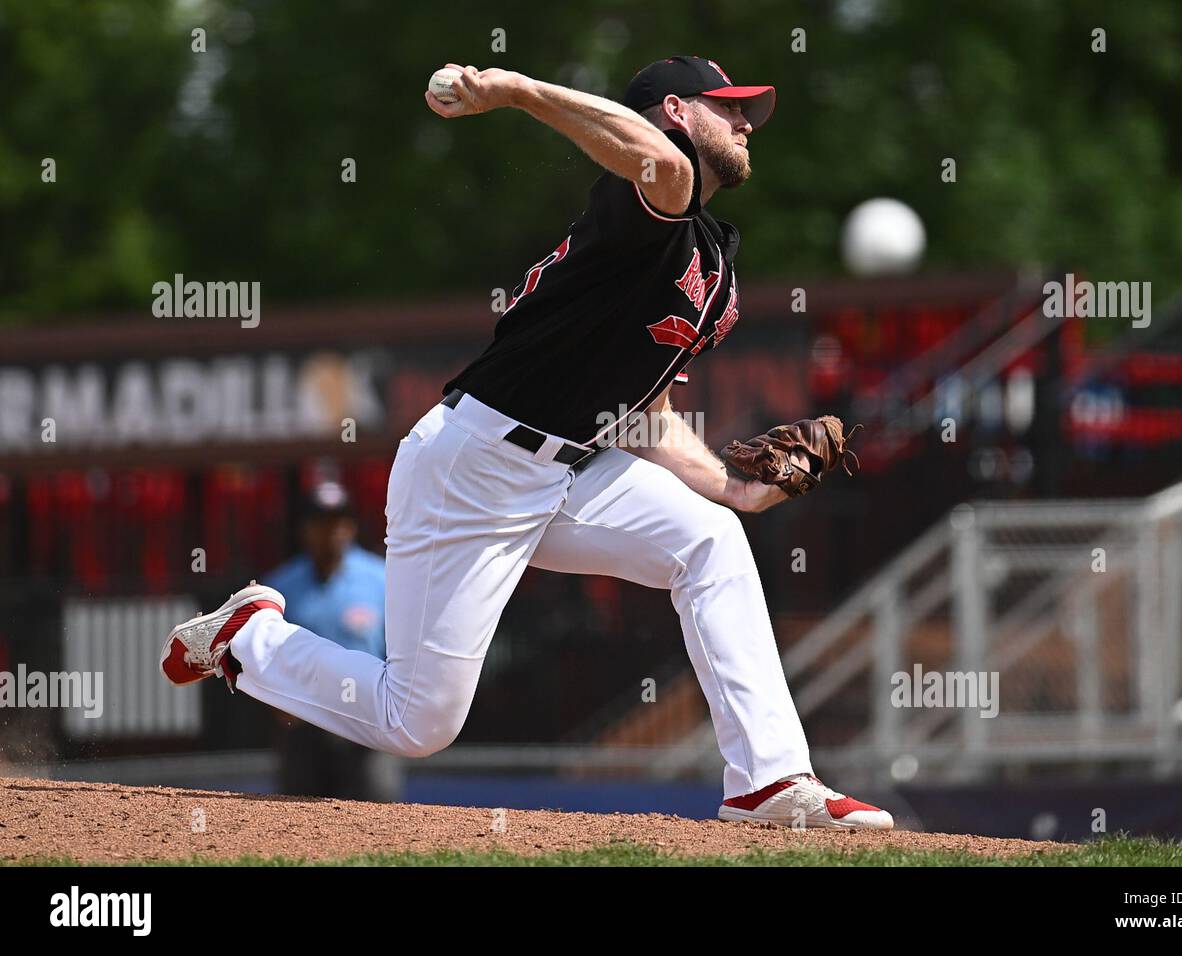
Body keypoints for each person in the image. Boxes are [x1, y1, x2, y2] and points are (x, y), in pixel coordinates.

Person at [161, 56, 893, 829]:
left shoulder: (712, 260)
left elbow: (643, 410)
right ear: (676, 110)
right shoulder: (648, 199)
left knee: (712, 538)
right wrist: (512, 90)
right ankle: (253, 639)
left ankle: (768, 783)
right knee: (419, 723)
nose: (748, 124)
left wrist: (729, 486)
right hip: (472, 466)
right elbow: (656, 159)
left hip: (573, 469)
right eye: (731, 107)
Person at [261, 480, 402, 802]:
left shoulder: (380, 578)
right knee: (298, 822)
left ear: (351, 526)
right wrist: (279, 710)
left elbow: (400, 649)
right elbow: (264, 656)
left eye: (340, 521)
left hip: (367, 723)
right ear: (305, 529)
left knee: (376, 814)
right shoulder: (281, 587)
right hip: (304, 723)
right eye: (321, 522)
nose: (332, 531)